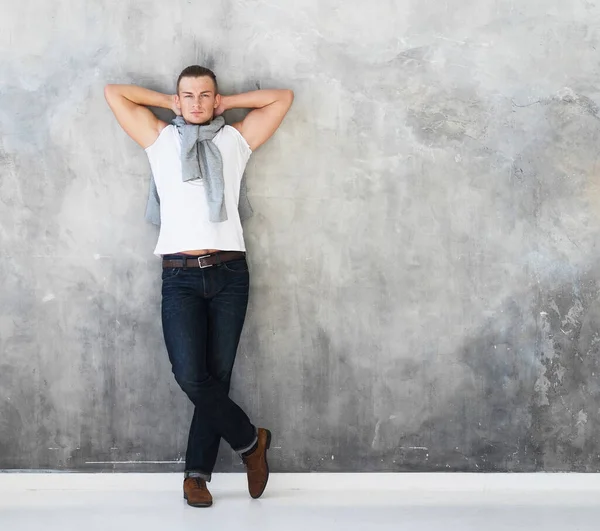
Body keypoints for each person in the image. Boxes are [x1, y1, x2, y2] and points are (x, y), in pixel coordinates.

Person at [104, 65, 293, 507]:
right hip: (180, 276)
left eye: (205, 95)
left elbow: (281, 98)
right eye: (186, 95)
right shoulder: (159, 138)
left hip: (230, 275)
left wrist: (231, 103)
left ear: (215, 100)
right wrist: (166, 101)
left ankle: (196, 477)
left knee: (217, 378)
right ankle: (251, 442)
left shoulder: (235, 140)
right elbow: (114, 93)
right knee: (191, 376)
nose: (195, 103)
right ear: (176, 100)